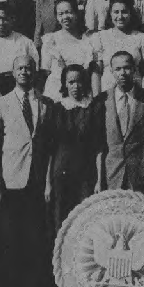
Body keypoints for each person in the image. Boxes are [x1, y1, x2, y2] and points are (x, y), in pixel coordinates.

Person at [0, 55, 56, 287]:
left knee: (37, 235)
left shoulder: (46, 103)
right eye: (20, 68)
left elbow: (49, 146)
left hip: (37, 179)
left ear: (35, 72)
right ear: (13, 72)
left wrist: (48, 180)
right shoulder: (1, 104)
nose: (24, 72)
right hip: (11, 179)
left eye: (28, 68)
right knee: (12, 237)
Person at [48, 64, 99, 239]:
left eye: (79, 81)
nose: (75, 86)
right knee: (61, 218)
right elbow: (50, 149)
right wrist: (48, 182)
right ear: (65, 84)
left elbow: (98, 147)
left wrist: (99, 179)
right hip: (61, 172)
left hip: (86, 173)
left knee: (86, 219)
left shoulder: (92, 108)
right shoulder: (56, 109)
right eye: (71, 82)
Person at [95, 51, 144, 193]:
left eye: (126, 68)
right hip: (111, 175)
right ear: (111, 71)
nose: (122, 73)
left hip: (139, 175)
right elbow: (98, 145)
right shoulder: (101, 101)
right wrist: (99, 179)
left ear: (134, 69)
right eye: (118, 69)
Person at [0, 2, 40, 96]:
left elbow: (35, 72)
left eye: (5, 19)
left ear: (12, 19)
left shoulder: (25, 43)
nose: (1, 23)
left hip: (17, 90)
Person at [90, 0, 144, 92]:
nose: (120, 16)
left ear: (130, 13)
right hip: (108, 92)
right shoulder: (100, 37)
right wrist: (97, 98)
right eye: (116, 12)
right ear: (110, 14)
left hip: (135, 92)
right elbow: (96, 72)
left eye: (124, 12)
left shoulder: (142, 38)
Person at [40, 0, 96, 100]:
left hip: (82, 92)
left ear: (76, 14)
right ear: (56, 17)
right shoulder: (51, 41)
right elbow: (45, 71)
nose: (65, 17)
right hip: (56, 92)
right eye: (60, 14)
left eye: (68, 12)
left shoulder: (88, 40)